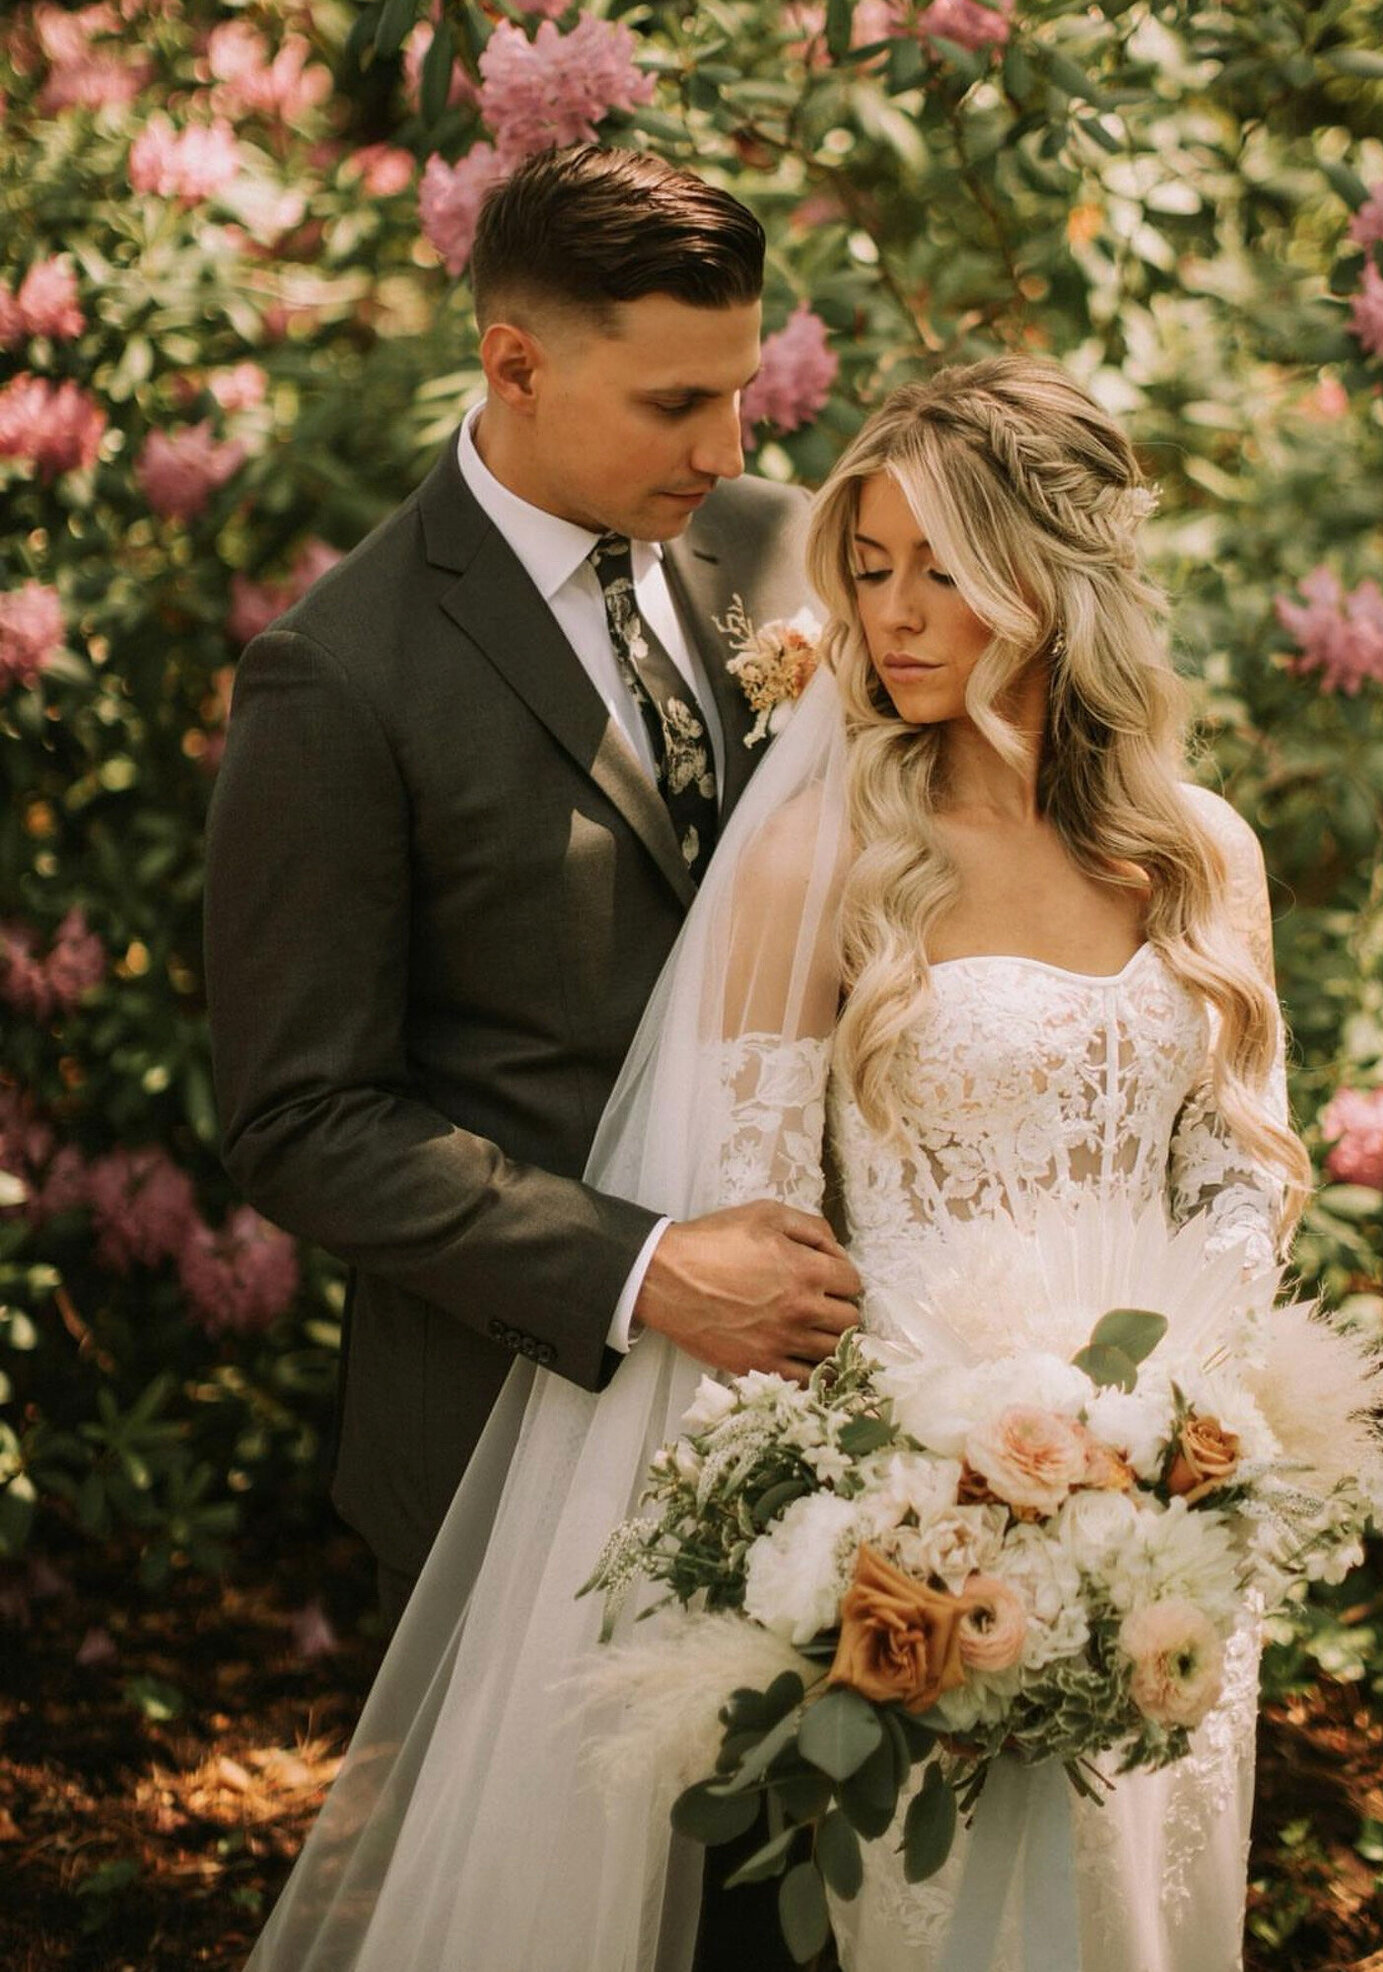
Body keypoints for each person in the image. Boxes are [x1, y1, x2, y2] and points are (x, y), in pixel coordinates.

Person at [242, 353, 1312, 1972]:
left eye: (944, 568)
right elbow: (759, 1223)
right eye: (869, 570)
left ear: (1058, 574)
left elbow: (1240, 1174)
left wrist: (1173, 1434)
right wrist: (946, 1489)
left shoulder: (1200, 851)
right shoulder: (826, 860)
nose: (896, 615)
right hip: (919, 1532)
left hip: (1169, 1524)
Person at [205, 144, 857, 1970]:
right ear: (511, 365)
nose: (728, 444)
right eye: (676, 400)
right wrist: (647, 1272)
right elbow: (301, 1118)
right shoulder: (339, 676)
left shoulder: (780, 549)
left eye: (742, 387)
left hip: (833, 1404)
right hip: (522, 1428)